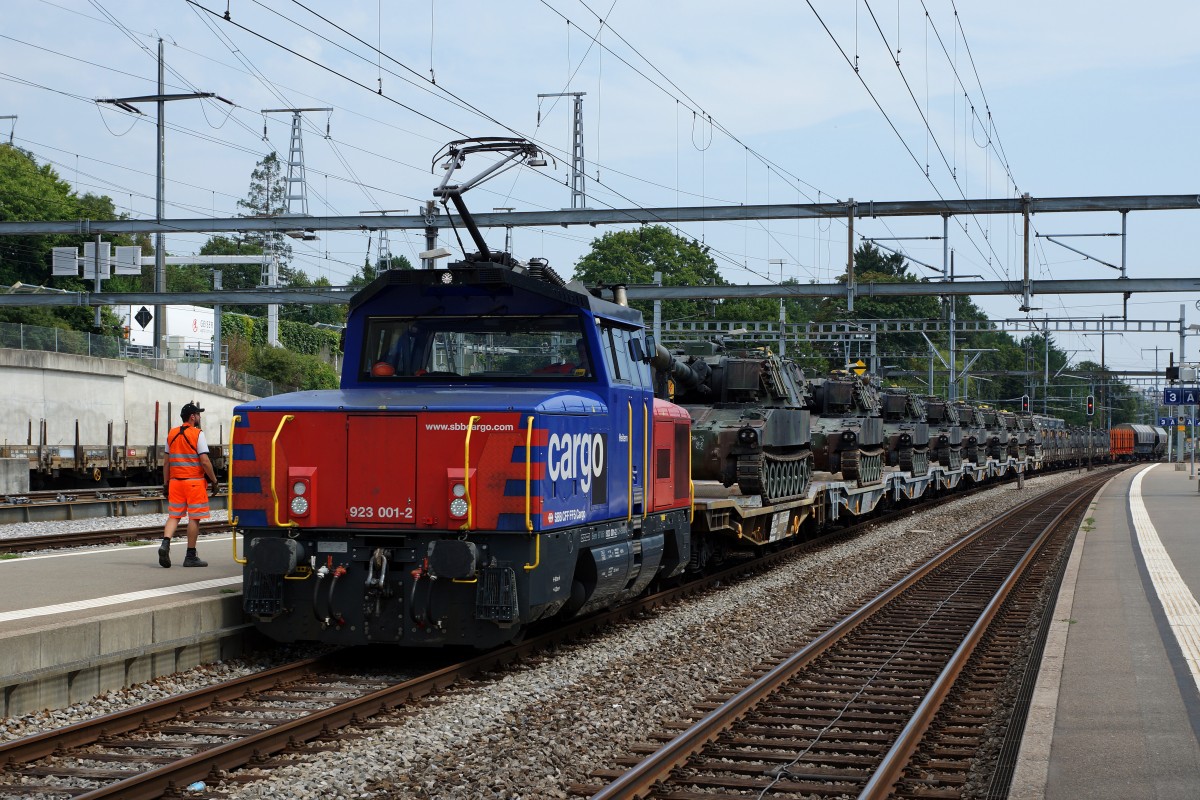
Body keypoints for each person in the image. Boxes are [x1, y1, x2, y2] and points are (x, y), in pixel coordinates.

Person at [159, 402, 220, 568]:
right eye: (198, 414)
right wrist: (214, 480)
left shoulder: (171, 434)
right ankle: (190, 555)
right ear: (192, 417)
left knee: (174, 515)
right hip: (193, 483)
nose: (200, 417)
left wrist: (166, 484)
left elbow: (166, 463)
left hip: (175, 483)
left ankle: (165, 543)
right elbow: (205, 461)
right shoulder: (197, 434)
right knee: (194, 518)